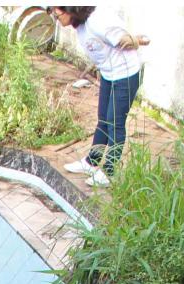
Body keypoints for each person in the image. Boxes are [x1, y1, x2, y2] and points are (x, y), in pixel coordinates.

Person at [51, 6, 150, 187]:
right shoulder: (79, 25)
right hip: (109, 74)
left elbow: (123, 40)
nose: (55, 18)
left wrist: (137, 40)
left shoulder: (96, 21)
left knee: (115, 122)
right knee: (103, 119)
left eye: (55, 14)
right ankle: (92, 162)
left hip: (125, 74)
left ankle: (109, 172)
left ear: (68, 8)